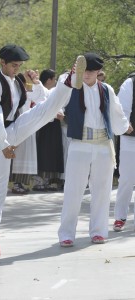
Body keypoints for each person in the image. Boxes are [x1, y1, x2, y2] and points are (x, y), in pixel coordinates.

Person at [0, 44, 84, 257]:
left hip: (15, 127)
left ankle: (68, 79)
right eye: (13, 66)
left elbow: (41, 98)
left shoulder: (18, 80)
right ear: (2, 63)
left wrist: (36, 82)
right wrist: (4, 144)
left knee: (46, 112)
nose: (16, 69)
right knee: (0, 183)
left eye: (19, 66)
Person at [58, 52, 133, 247]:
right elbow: (58, 91)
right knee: (73, 190)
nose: (87, 74)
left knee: (102, 190)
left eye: (90, 71)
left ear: (98, 71)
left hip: (102, 145)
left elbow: (116, 114)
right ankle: (66, 233)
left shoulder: (106, 89)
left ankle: (99, 231)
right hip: (79, 144)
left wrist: (125, 127)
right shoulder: (71, 87)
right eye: (83, 70)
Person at [9, 72, 46, 194]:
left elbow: (41, 98)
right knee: (19, 155)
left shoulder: (26, 92)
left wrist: (36, 83)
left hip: (26, 126)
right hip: (17, 126)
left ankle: (20, 183)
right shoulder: (15, 92)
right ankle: (16, 183)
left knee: (24, 155)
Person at [33, 69, 65, 192]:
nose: (56, 81)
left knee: (52, 153)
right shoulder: (42, 92)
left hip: (54, 126)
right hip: (44, 126)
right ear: (49, 80)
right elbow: (40, 106)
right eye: (54, 79)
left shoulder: (54, 92)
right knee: (42, 152)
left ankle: (48, 180)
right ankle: (39, 180)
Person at [113, 74, 135, 231]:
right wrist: (125, 126)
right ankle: (120, 216)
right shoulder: (130, 82)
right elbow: (122, 109)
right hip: (131, 138)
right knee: (127, 178)